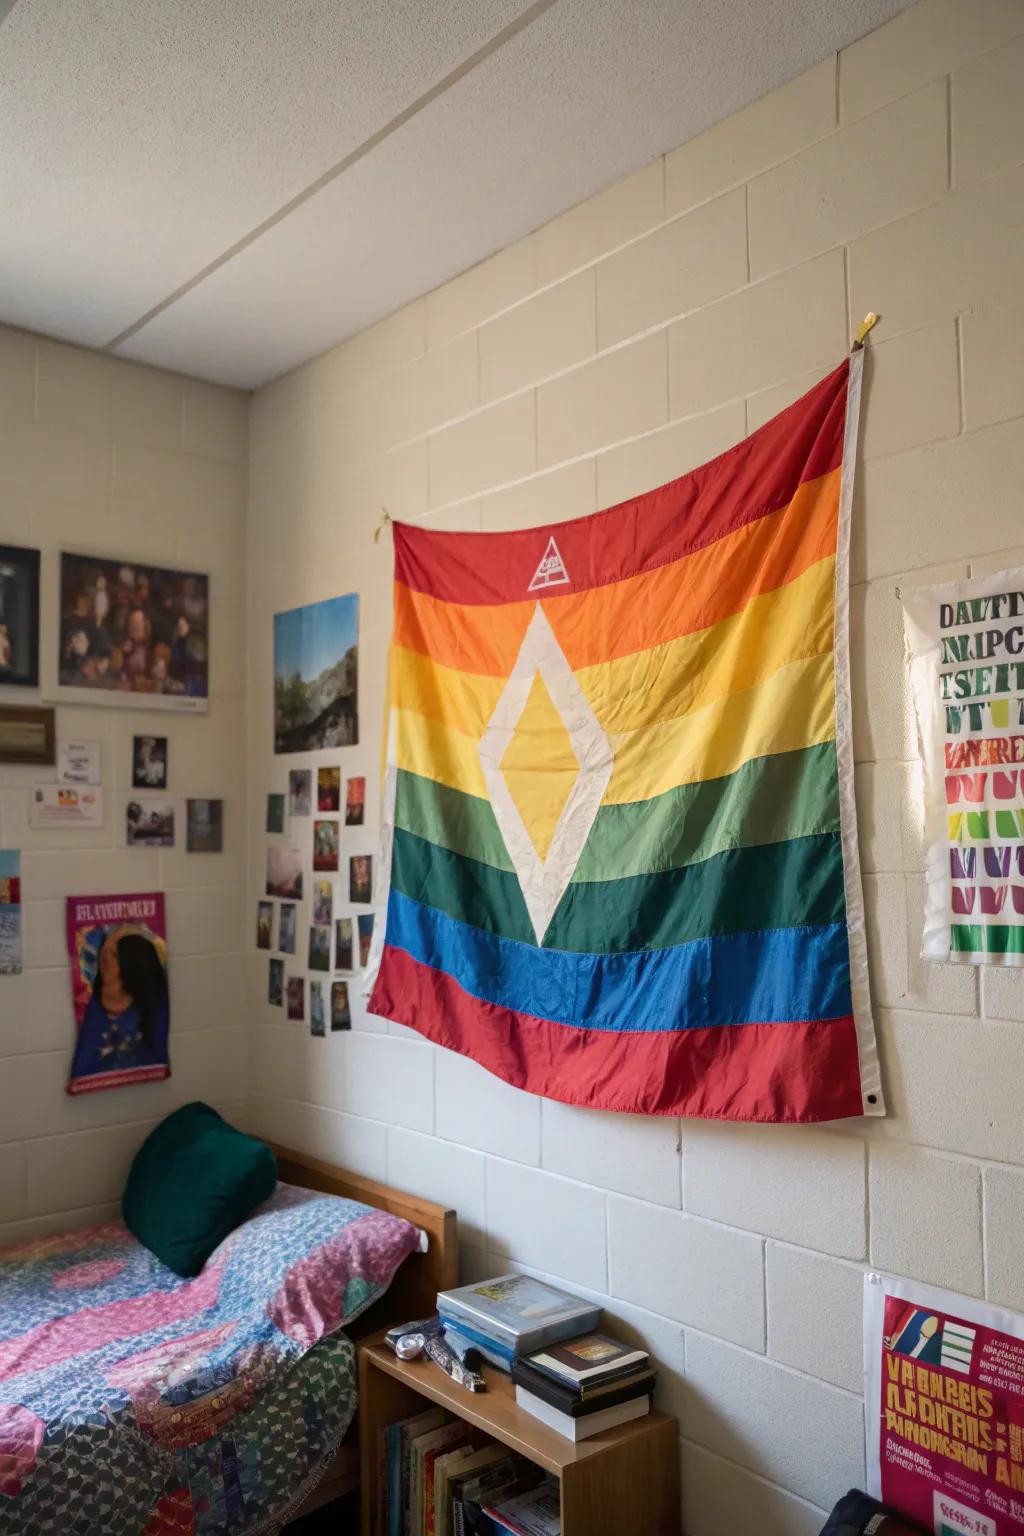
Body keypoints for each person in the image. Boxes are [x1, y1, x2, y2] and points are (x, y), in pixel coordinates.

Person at [69, 928, 169, 1085]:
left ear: (133, 966)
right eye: (104, 952)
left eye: (115, 955)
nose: (104, 959)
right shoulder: (92, 1008)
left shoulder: (155, 1010)